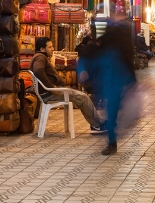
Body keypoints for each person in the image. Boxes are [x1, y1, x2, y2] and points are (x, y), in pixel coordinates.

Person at [31, 37, 105, 134]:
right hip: (49, 93)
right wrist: (51, 87)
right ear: (42, 49)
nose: (53, 49)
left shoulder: (39, 57)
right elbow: (37, 70)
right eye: (50, 47)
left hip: (49, 92)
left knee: (81, 97)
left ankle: (97, 123)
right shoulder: (40, 57)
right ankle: (97, 125)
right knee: (83, 97)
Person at [88, 15, 137, 155]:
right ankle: (113, 136)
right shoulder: (121, 47)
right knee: (115, 111)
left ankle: (112, 140)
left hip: (110, 83)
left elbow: (96, 63)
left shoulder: (107, 48)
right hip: (116, 82)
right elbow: (128, 63)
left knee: (112, 111)